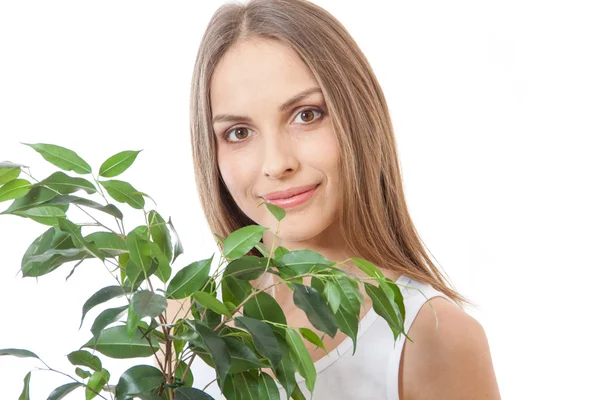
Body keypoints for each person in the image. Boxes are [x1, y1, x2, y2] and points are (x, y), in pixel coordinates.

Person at [186, 0, 501, 398]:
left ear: (357, 116)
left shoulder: (432, 337)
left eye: (306, 115)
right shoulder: (184, 325)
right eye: (239, 133)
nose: (277, 163)